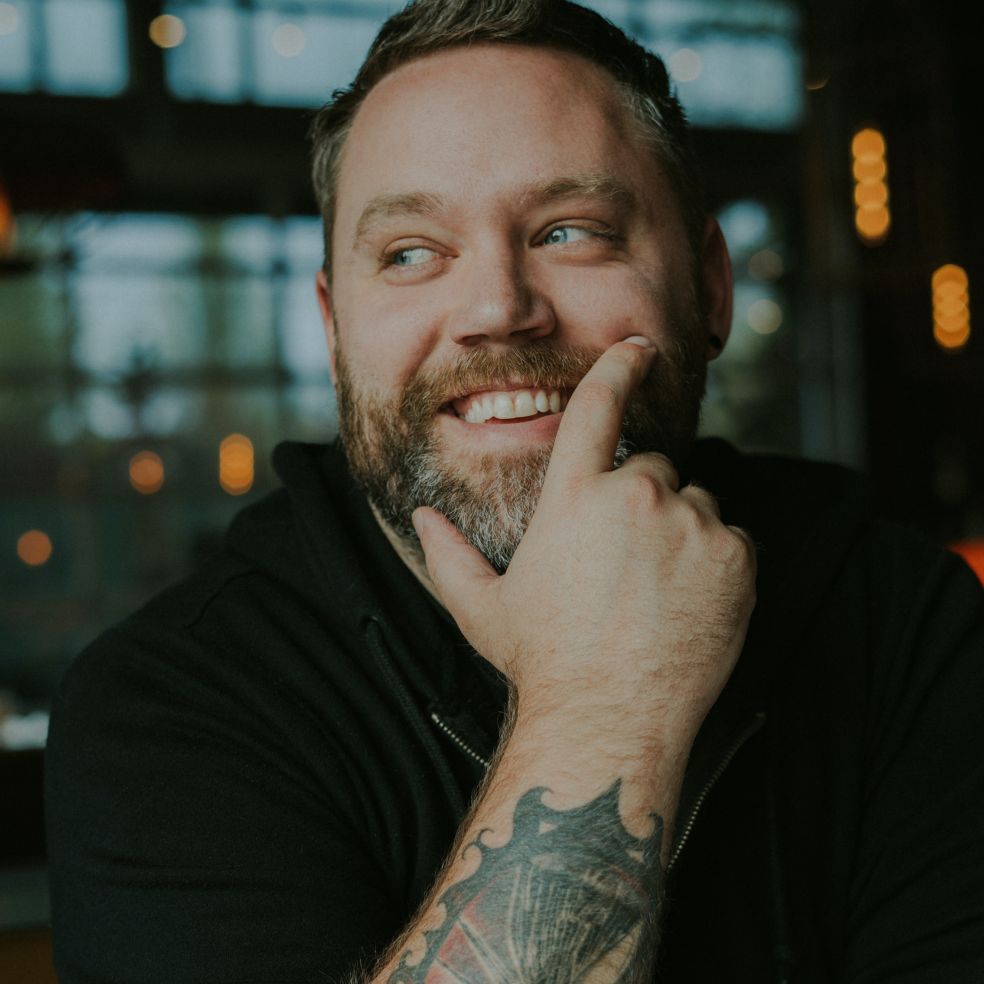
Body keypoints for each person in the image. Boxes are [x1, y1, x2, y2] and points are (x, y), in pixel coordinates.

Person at [45, 1, 984, 981]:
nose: (498, 308)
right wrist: (603, 704)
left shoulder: (899, 624)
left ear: (709, 286)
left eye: (570, 231)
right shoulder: (166, 710)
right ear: (332, 328)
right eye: (410, 252)